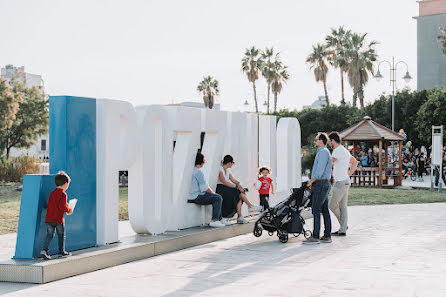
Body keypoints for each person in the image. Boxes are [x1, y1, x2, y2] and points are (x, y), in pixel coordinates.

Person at [304, 133, 333, 244]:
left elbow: (319, 171)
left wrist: (311, 182)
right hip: (323, 184)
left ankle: (315, 236)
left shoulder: (323, 152)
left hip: (320, 184)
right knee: (324, 210)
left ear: (321, 141)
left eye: (316, 140)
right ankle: (327, 235)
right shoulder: (323, 152)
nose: (314, 141)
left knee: (316, 210)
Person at [188, 152, 230, 228]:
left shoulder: (191, 170)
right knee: (218, 198)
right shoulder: (198, 172)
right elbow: (204, 188)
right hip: (196, 196)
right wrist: (213, 193)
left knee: (216, 197)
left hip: (191, 196)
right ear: (202, 162)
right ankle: (214, 220)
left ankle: (220, 219)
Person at [216, 155, 262, 224]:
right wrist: (236, 187)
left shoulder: (228, 170)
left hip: (227, 188)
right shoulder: (220, 170)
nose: (232, 164)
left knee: (239, 195)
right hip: (221, 188)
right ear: (229, 163)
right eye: (233, 162)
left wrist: (239, 186)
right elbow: (224, 182)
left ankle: (241, 216)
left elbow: (233, 180)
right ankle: (250, 207)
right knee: (238, 192)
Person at [328, 132, 358, 236]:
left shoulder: (337, 151)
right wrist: (349, 175)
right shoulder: (344, 150)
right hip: (345, 181)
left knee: (331, 205)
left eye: (329, 142)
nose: (329, 144)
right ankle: (343, 229)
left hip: (340, 182)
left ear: (332, 141)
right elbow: (355, 162)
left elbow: (329, 163)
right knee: (343, 206)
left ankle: (343, 226)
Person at [40, 171, 74, 260]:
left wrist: (65, 205)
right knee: (61, 235)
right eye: (68, 184)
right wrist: (68, 210)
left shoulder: (53, 193)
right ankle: (61, 252)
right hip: (58, 219)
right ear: (66, 184)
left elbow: (55, 204)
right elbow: (61, 206)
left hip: (49, 219)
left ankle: (44, 250)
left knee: (50, 235)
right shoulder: (63, 194)